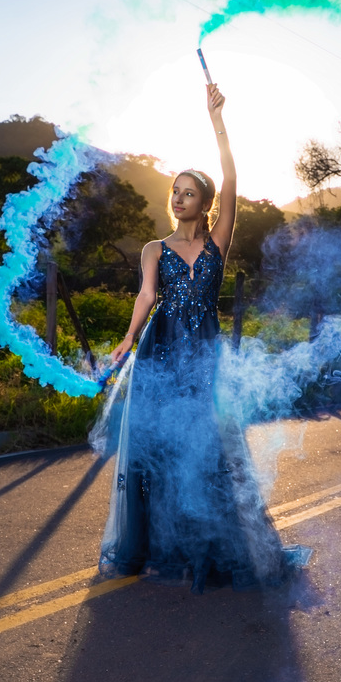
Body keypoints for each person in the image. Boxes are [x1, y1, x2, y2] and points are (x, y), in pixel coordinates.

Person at [98, 83, 310, 593]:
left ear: (205, 203)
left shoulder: (218, 242)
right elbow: (147, 295)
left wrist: (218, 122)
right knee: (162, 444)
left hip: (204, 353)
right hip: (162, 348)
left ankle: (214, 549)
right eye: (175, 191)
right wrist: (128, 338)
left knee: (211, 445)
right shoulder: (154, 248)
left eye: (188, 192)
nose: (178, 198)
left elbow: (232, 179)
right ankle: (163, 547)